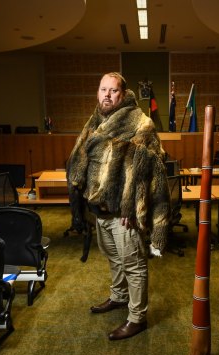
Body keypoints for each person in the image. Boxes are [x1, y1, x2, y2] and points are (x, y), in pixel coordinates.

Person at [66, 72, 170, 340]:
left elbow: (150, 170)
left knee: (133, 264)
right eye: (103, 90)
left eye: (113, 91)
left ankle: (137, 318)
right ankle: (119, 296)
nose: (107, 95)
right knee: (113, 258)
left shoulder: (140, 123)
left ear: (124, 95)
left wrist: (135, 207)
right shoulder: (95, 121)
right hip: (100, 208)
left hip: (125, 214)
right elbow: (83, 161)